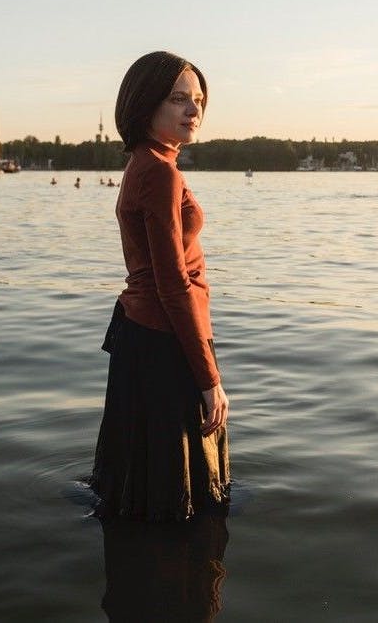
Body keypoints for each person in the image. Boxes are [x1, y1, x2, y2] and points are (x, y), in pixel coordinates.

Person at [89, 51, 230, 522]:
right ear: (147, 104)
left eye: (199, 99)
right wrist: (209, 378)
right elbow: (172, 284)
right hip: (163, 337)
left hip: (146, 335)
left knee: (141, 481)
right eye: (178, 99)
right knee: (175, 492)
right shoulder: (159, 173)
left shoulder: (146, 164)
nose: (194, 110)